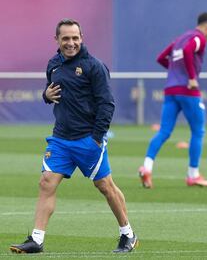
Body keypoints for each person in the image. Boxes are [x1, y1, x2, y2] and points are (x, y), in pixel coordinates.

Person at [10, 19, 138, 253]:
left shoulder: (94, 66)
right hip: (60, 138)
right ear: (57, 40)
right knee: (46, 182)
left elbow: (107, 104)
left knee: (105, 186)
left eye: (75, 38)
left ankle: (127, 234)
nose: (71, 43)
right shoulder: (53, 64)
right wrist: (46, 95)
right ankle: (37, 240)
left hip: (88, 138)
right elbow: (53, 93)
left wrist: (97, 138)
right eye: (66, 38)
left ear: (81, 38)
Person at [138, 12, 207, 188]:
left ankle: (147, 167)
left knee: (164, 131)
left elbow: (161, 58)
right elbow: (189, 50)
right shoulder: (199, 38)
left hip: (170, 89)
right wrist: (190, 77)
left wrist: (175, 72)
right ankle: (193, 175)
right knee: (198, 131)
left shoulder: (180, 38)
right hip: (188, 91)